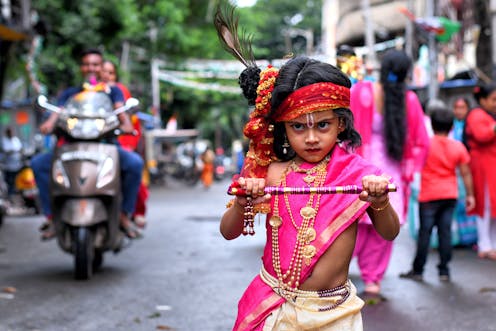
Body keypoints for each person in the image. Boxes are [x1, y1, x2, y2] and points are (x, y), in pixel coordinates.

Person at [215, 8, 400, 329]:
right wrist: (245, 200)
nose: (311, 138)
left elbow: (389, 232)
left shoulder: (359, 175)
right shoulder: (271, 174)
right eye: (298, 127)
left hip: (336, 313)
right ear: (283, 127)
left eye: (323, 125)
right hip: (277, 308)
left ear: (342, 124)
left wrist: (380, 201)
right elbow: (229, 231)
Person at [31, 48, 144, 240]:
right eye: (86, 64)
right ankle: (51, 216)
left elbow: (120, 111)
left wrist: (125, 123)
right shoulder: (71, 93)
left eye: (95, 64)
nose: (90, 68)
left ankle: (124, 215)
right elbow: (57, 112)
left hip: (106, 146)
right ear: (81, 67)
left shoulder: (112, 91)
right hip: (71, 147)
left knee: (134, 164)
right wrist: (49, 124)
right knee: (38, 164)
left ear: (101, 67)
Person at [349, 49, 430, 296]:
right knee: (383, 227)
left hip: (358, 167)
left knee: (352, 223)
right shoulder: (410, 100)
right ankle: (373, 279)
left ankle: (333, 273)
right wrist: (410, 170)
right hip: (392, 172)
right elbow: (422, 142)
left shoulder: (361, 91)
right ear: (406, 75)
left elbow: (342, 128)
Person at [399, 106, 475, 282]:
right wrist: (470, 195)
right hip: (450, 195)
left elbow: (412, 164)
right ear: (451, 127)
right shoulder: (458, 147)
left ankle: (418, 270)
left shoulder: (425, 145)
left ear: (432, 125)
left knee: (425, 233)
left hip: (428, 196)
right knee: (445, 232)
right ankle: (444, 271)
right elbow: (465, 173)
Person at [101, 59, 148, 229]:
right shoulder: (90, 91)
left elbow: (131, 123)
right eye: (103, 71)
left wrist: (127, 144)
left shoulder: (120, 92)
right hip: (93, 143)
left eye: (111, 72)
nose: (106, 75)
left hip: (117, 142)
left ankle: (133, 212)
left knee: (134, 167)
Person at [464, 83, 496, 260]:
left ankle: (492, 243)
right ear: (482, 100)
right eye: (493, 99)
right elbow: (482, 135)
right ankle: (484, 244)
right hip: (482, 166)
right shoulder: (476, 115)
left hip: (492, 166)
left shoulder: (489, 116)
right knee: (485, 205)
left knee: (493, 207)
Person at [450, 97, 478, 246]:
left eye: (462, 107)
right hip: (455, 171)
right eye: (456, 107)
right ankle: (458, 238)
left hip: (469, 169)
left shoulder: (471, 125)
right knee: (457, 205)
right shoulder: (451, 126)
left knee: (468, 202)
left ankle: (471, 238)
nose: (459, 111)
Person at [1, 127, 23, 196]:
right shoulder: (4, 140)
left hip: (17, 164)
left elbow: (20, 149)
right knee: (9, 181)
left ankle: (17, 195)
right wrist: (13, 151)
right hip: (8, 165)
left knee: (17, 180)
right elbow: (6, 150)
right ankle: (10, 195)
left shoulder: (16, 139)